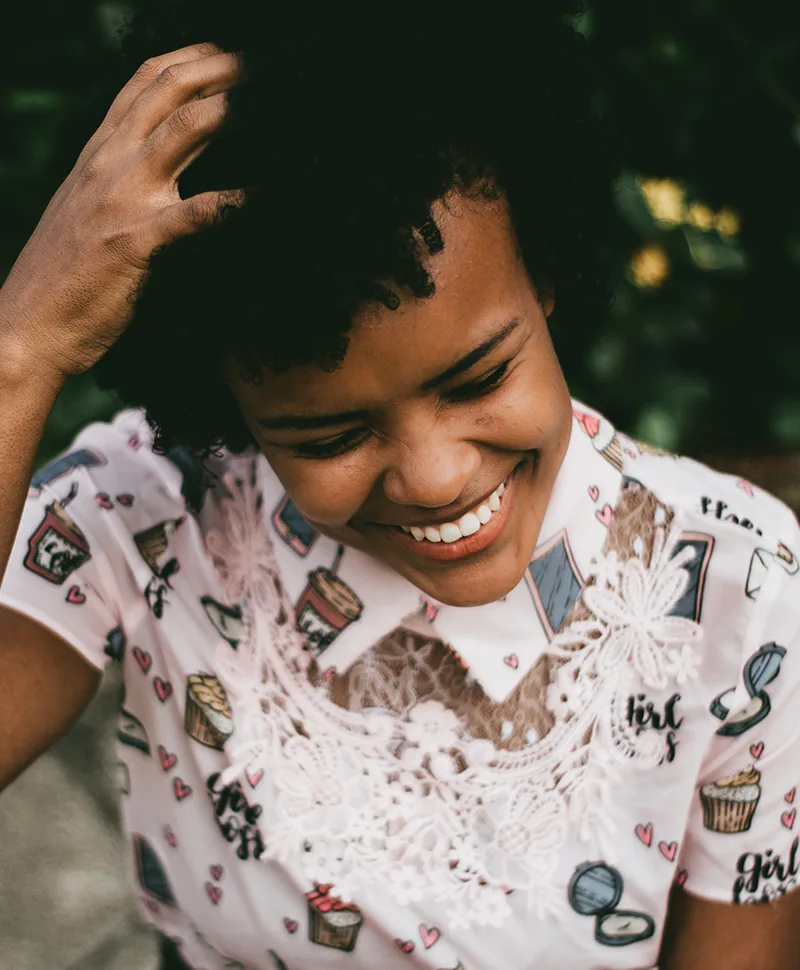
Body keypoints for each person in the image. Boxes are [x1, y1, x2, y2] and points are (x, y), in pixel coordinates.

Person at [1, 7, 799, 969]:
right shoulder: (139, 521)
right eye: (330, 433)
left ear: (545, 272)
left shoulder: (739, 590)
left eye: (479, 378)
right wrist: (20, 349)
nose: (437, 476)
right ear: (230, 408)